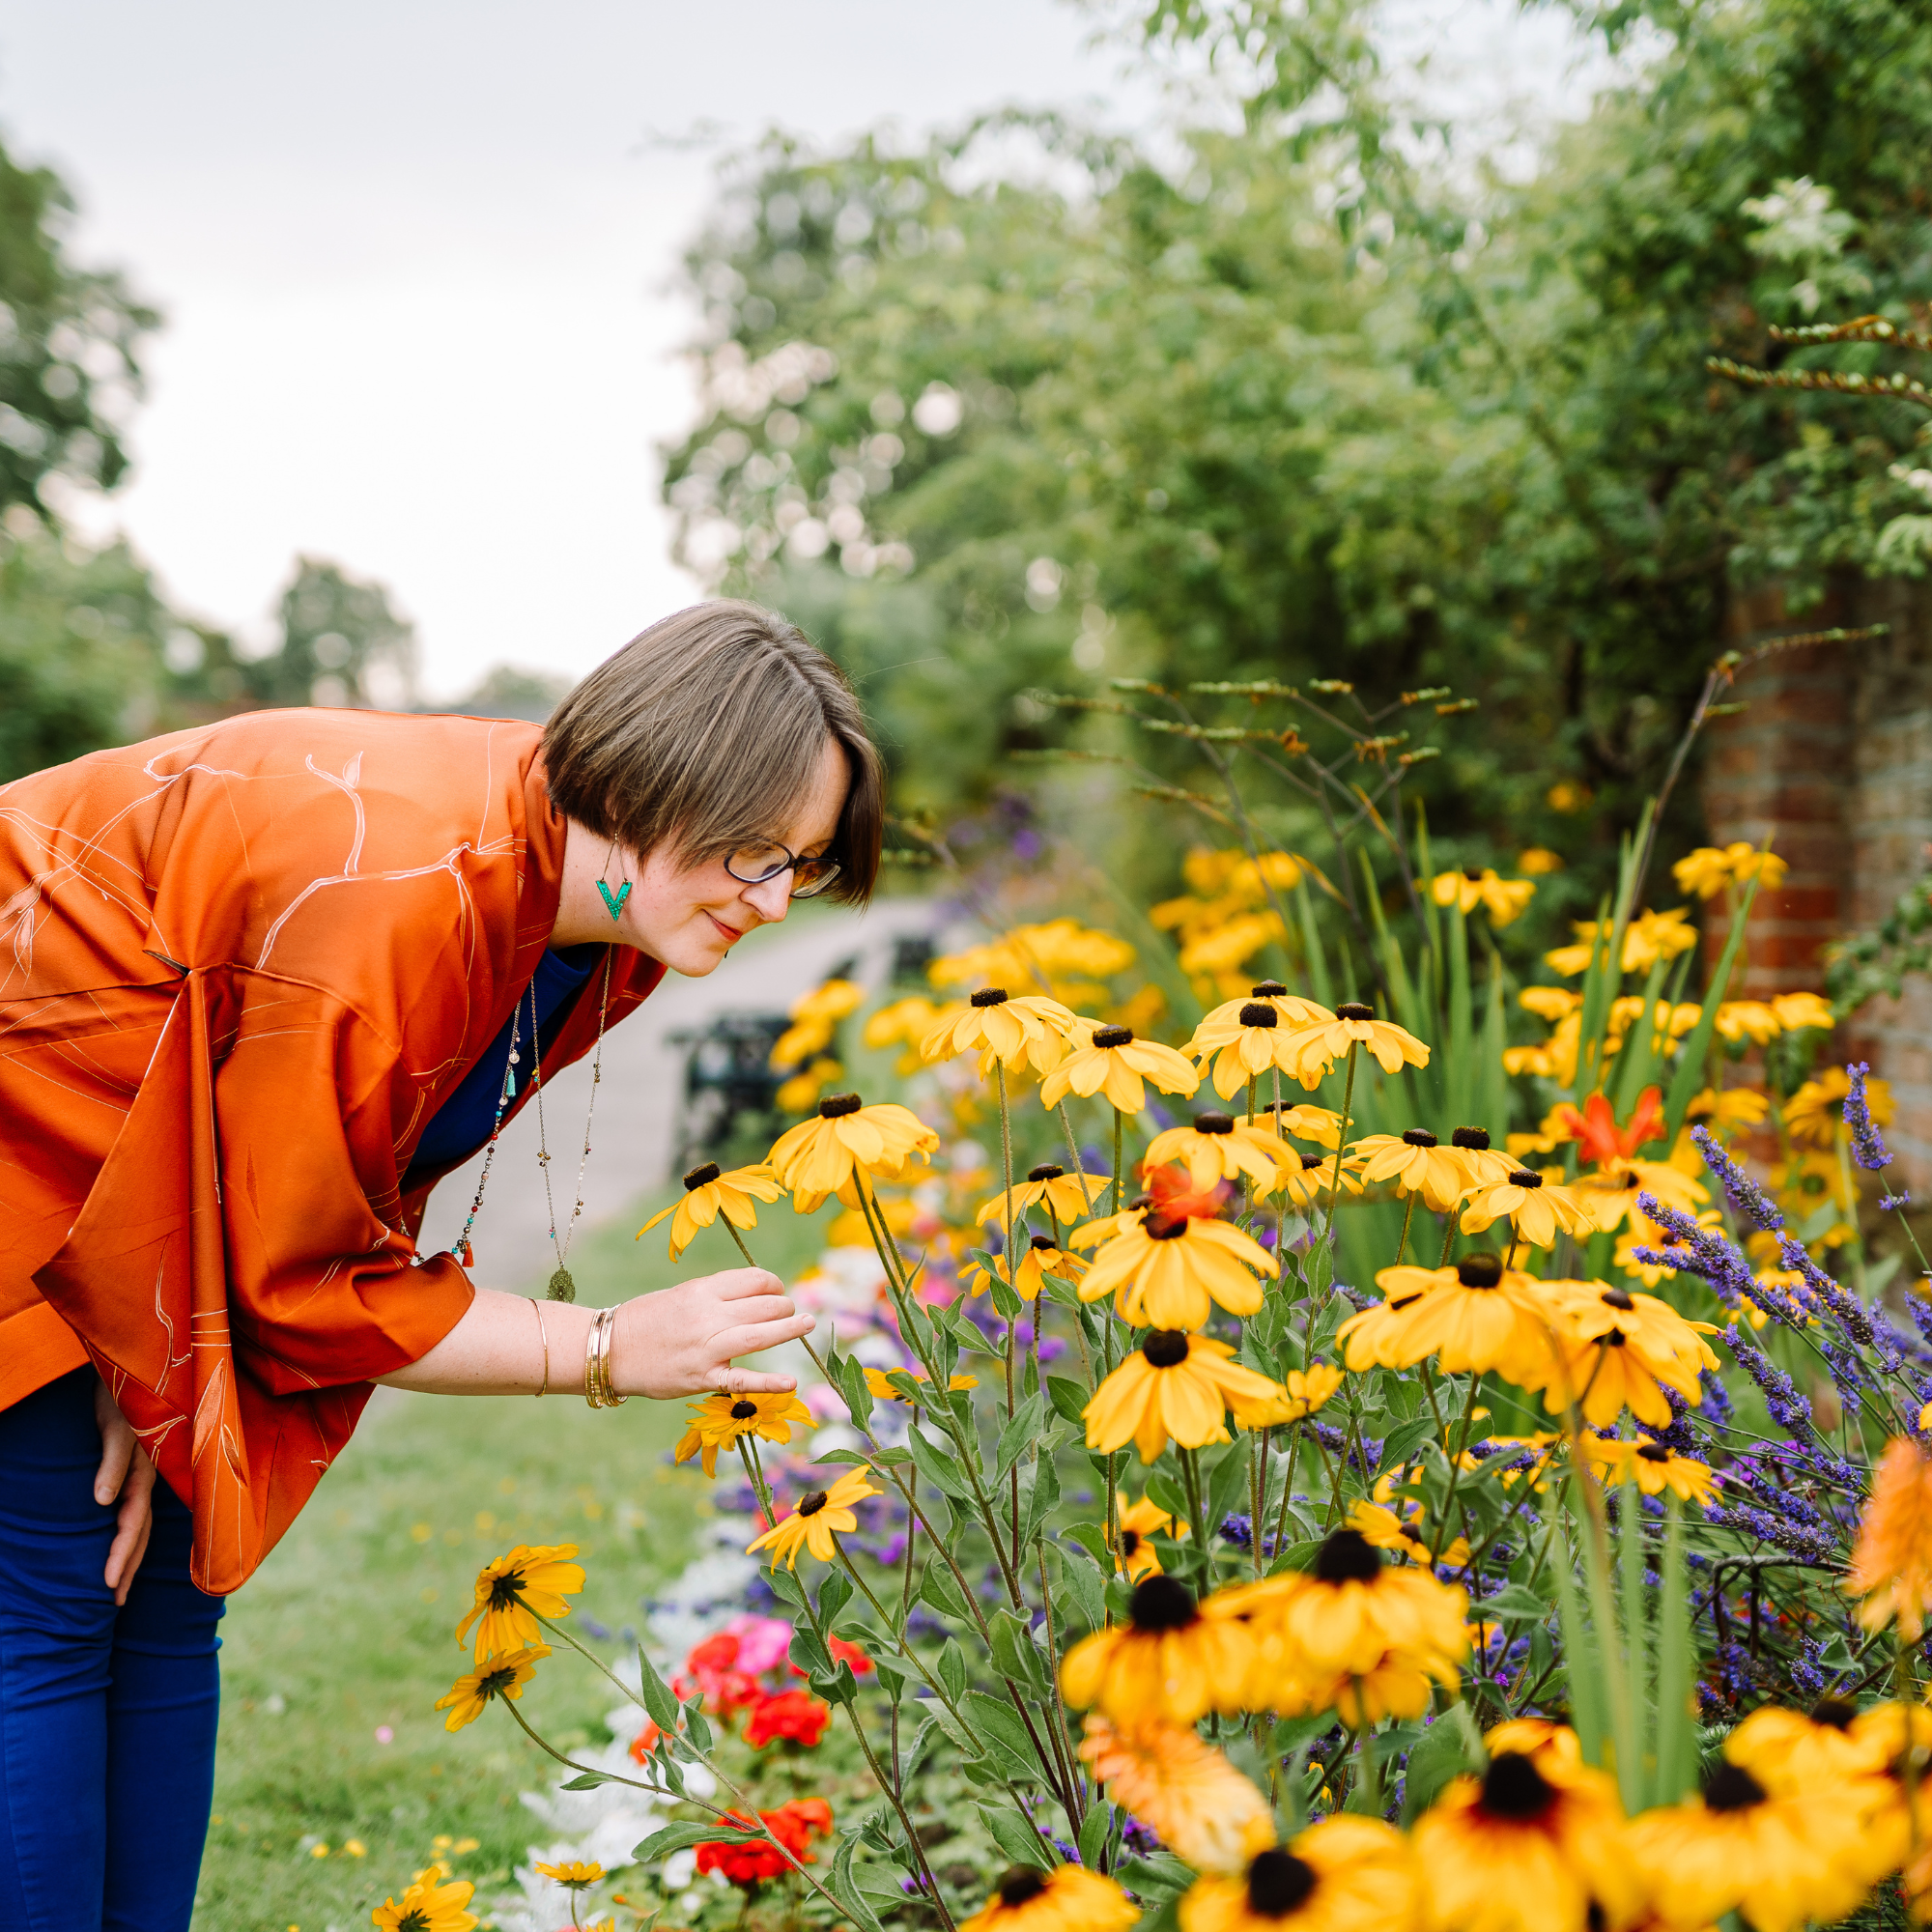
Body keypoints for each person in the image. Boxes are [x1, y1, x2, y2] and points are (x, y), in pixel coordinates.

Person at [0, 599, 882, 1932]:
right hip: (27, 1103)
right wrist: (603, 1349)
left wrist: (160, 1352)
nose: (768, 902)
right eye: (755, 852)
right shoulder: (413, 899)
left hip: (129, 1143)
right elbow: (302, 1284)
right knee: (62, 1587)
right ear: (658, 777)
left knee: (176, 1581)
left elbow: (303, 1157)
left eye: (799, 868)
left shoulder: (592, 906)